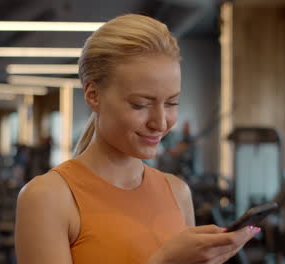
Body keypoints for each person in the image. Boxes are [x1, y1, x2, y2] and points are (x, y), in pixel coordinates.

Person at [14, 14, 260, 264]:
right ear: (93, 95)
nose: (161, 123)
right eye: (140, 104)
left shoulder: (178, 192)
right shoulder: (47, 197)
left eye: (172, 103)